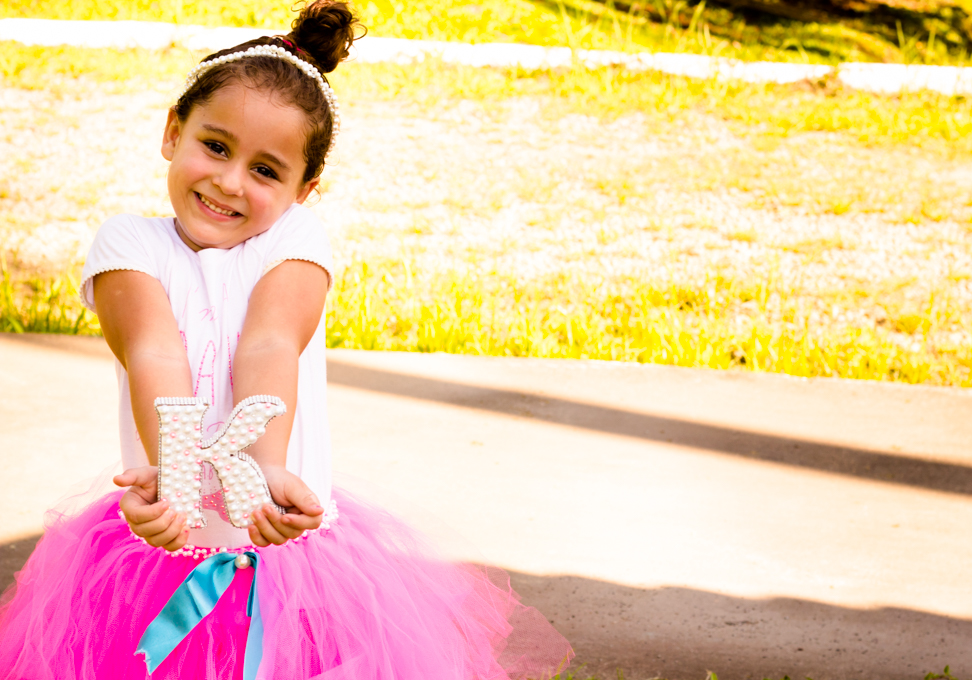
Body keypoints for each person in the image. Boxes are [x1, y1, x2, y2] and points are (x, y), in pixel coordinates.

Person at [0, 2, 573, 678]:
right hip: (163, 543)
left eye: (266, 170)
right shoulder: (127, 243)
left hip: (291, 555)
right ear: (173, 131)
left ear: (307, 189)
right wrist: (173, 484)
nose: (229, 181)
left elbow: (269, 343)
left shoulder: (294, 240)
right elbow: (153, 350)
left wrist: (262, 479)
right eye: (216, 146)